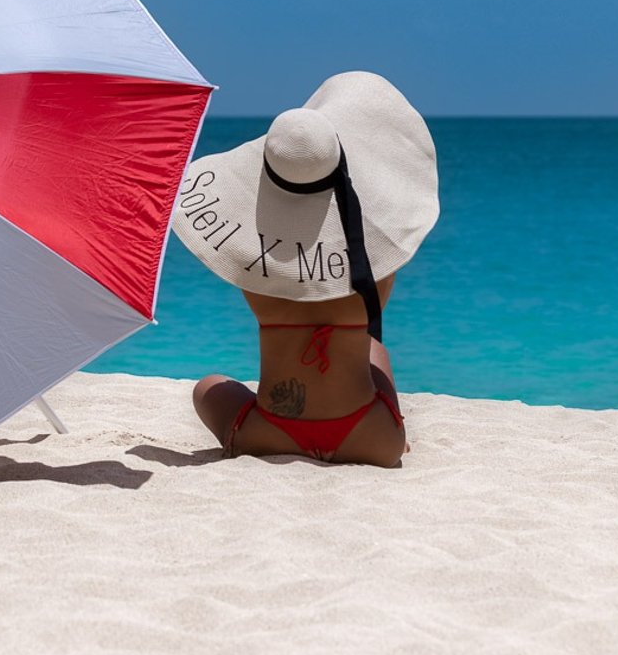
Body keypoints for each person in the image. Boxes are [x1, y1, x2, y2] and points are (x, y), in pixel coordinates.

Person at [170, 72, 438, 466]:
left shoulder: (256, 264)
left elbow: (246, 260)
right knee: (375, 349)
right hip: (372, 436)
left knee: (207, 388)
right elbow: (371, 281)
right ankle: (397, 426)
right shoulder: (372, 266)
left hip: (270, 431)